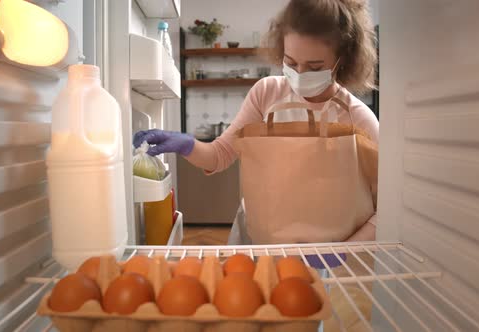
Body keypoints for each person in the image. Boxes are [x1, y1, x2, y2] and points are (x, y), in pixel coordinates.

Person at [134, 0, 379, 242]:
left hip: (326, 251)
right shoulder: (267, 93)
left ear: (343, 59)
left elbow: (386, 206)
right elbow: (219, 154)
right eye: (291, 62)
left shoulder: (357, 118)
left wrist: (344, 250)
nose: (300, 75)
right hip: (261, 234)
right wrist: (186, 144)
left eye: (315, 67)